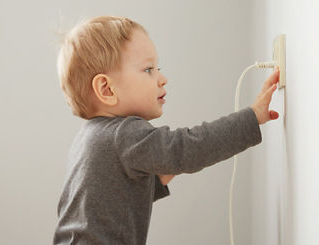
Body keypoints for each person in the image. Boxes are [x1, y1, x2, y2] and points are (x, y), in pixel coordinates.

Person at [53, 15, 280, 245]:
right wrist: (251, 118)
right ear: (107, 89)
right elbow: (188, 147)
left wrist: (169, 164)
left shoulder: (88, 138)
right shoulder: (123, 134)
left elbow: (116, 198)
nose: (162, 78)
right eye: (149, 69)